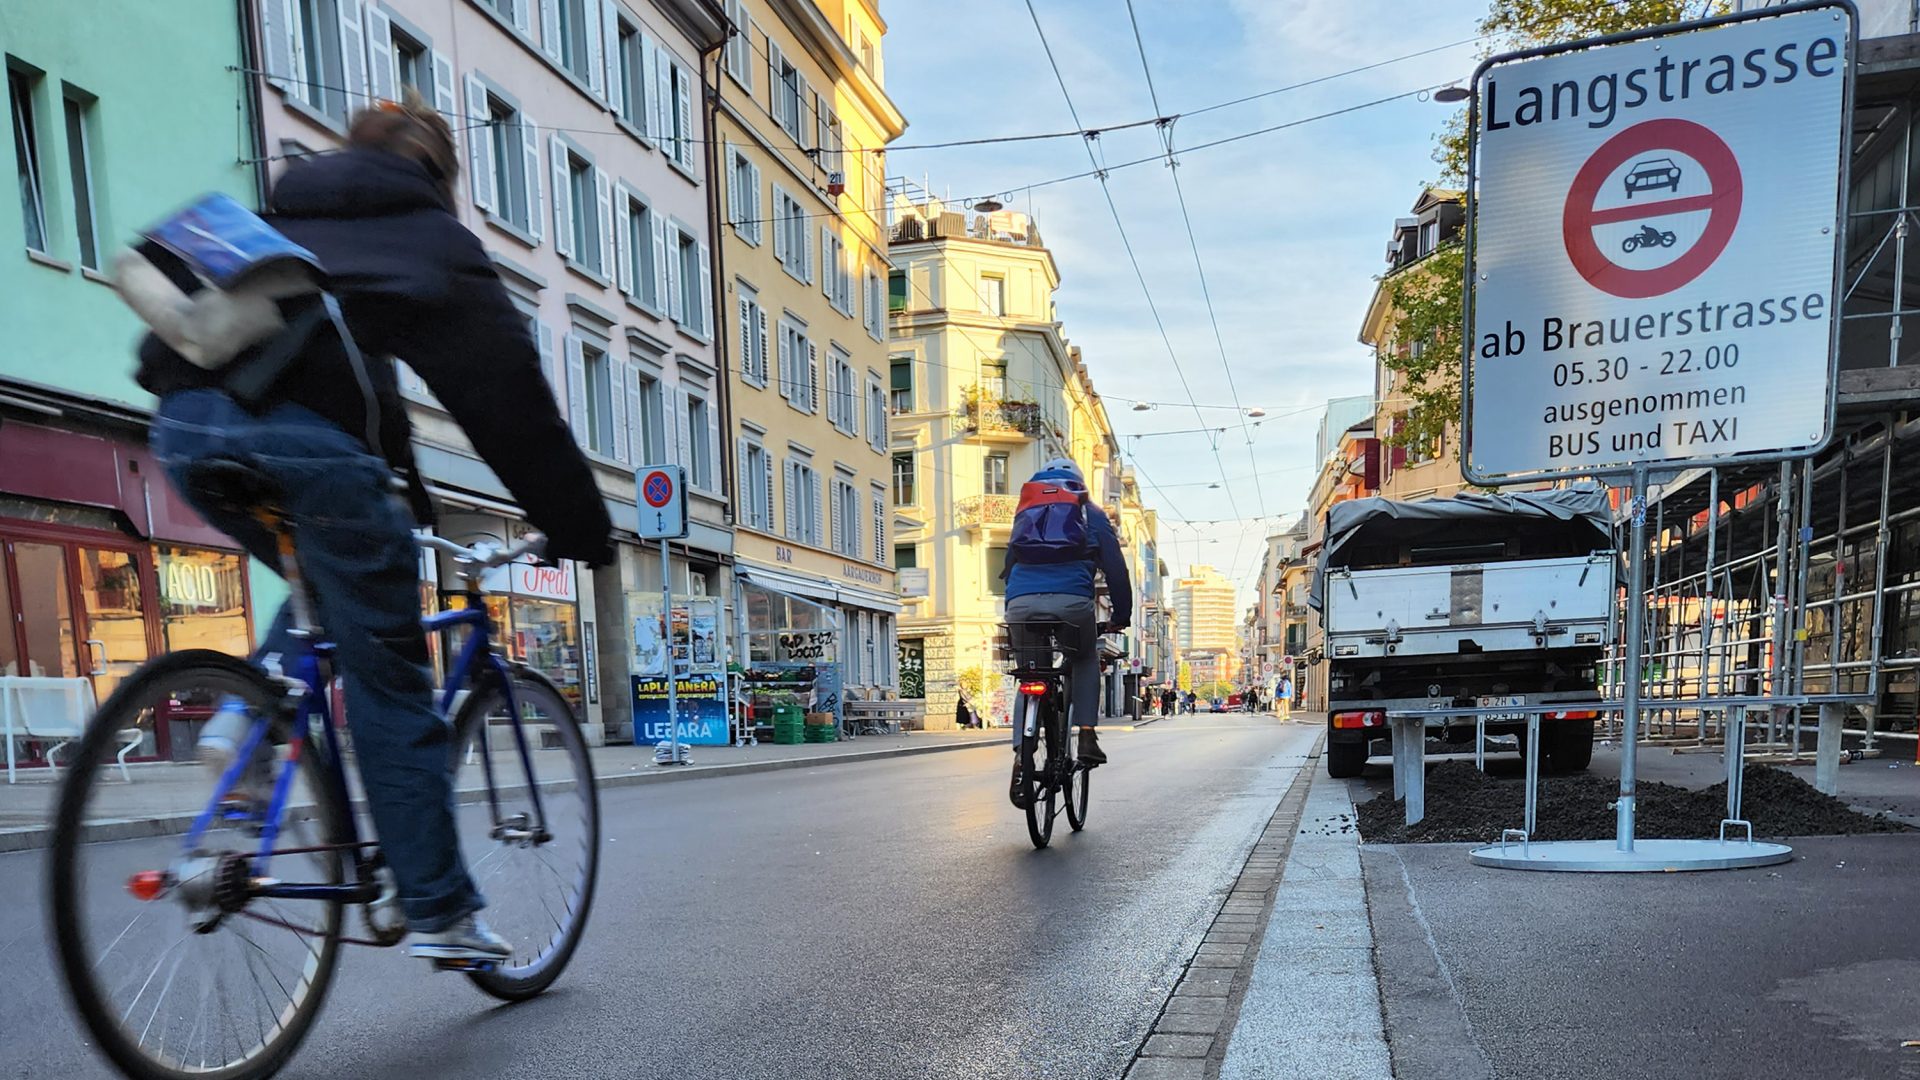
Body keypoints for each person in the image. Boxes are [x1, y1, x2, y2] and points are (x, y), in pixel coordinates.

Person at [137, 96, 614, 962]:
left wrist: (411, 503)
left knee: (324, 582)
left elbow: (362, 393)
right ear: (437, 177)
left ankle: (238, 732)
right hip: (305, 451)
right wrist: (577, 527)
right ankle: (439, 908)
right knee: (391, 680)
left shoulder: (275, 216)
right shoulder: (428, 238)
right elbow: (508, 403)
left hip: (184, 427)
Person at [1003, 459, 1132, 799]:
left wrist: (1017, 599)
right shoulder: (1091, 512)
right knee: (1084, 658)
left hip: (1021, 603)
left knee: (1031, 674)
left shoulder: (1026, 508)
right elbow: (1116, 571)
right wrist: (1122, 614)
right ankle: (1087, 734)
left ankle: (1021, 759)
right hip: (1072, 602)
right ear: (1079, 484)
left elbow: (1009, 562)